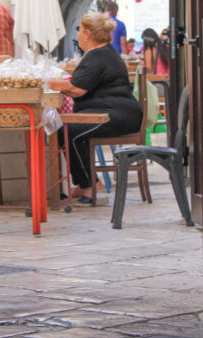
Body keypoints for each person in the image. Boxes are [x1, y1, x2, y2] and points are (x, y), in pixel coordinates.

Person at [48, 14, 143, 205]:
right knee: (67, 129)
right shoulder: (103, 53)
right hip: (116, 112)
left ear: (88, 33)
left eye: (80, 32)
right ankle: (85, 183)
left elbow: (76, 89)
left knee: (68, 132)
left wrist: (46, 82)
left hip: (116, 115)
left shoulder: (98, 56)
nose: (79, 36)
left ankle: (89, 185)